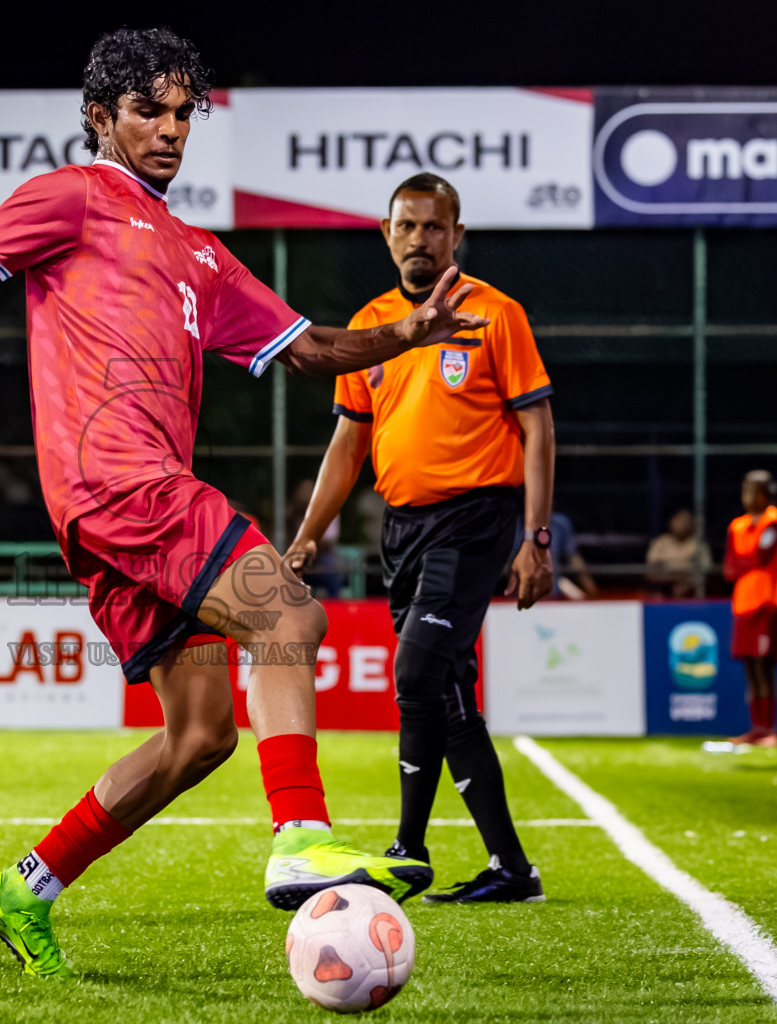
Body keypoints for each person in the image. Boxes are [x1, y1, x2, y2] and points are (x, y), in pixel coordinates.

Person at [0, 30, 489, 978]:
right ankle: (303, 833)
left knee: (201, 735)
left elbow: (308, 350)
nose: (171, 129)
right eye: (149, 109)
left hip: (112, 513)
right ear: (103, 116)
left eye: (185, 112)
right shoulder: (72, 195)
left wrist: (406, 331)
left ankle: (28, 886)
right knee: (287, 612)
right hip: (120, 481)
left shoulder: (199, 256)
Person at [286, 172, 553, 904]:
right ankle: (511, 870)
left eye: (434, 227)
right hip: (401, 530)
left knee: (413, 675)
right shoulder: (372, 325)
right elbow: (347, 447)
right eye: (407, 226)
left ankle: (406, 849)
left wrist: (536, 536)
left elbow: (538, 428)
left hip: (474, 521)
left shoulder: (495, 314)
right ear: (386, 232)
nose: (419, 239)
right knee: (449, 693)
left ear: (456, 235)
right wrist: (308, 537)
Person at [723, 471, 777, 746]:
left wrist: (743, 562)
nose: (747, 497)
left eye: (753, 490)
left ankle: (768, 728)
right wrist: (744, 562)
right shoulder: (737, 526)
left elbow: (759, 557)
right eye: (744, 490)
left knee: (764, 666)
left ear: (765, 493)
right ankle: (755, 727)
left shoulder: (774, 522)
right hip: (743, 604)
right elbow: (729, 568)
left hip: (767, 602)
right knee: (750, 666)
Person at [512, 510, 599, 600]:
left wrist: (588, 583)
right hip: (523, 595)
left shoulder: (560, 523)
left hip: (553, 594)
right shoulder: (517, 523)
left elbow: (573, 558)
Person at [647, 509, 711, 598]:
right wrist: (674, 577)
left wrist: (686, 581)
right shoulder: (662, 542)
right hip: (663, 586)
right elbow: (651, 568)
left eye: (685, 521)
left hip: (689, 588)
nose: (681, 524)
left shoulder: (698, 544)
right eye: (678, 521)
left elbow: (706, 570)